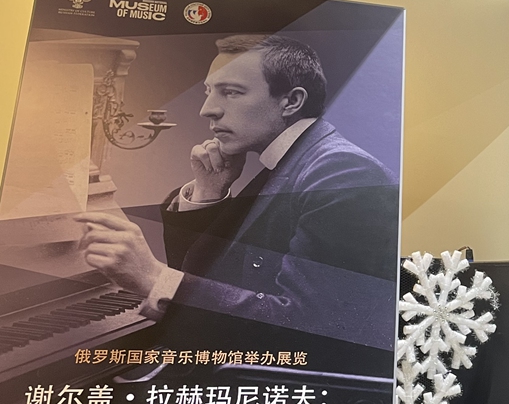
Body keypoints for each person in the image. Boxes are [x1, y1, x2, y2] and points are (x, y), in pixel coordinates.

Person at [76, 34, 398, 371]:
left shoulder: (342, 172)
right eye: (208, 91)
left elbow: (307, 332)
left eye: (231, 92)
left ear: (291, 101)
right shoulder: (291, 160)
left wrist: (153, 276)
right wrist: (208, 194)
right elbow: (224, 280)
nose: (207, 109)